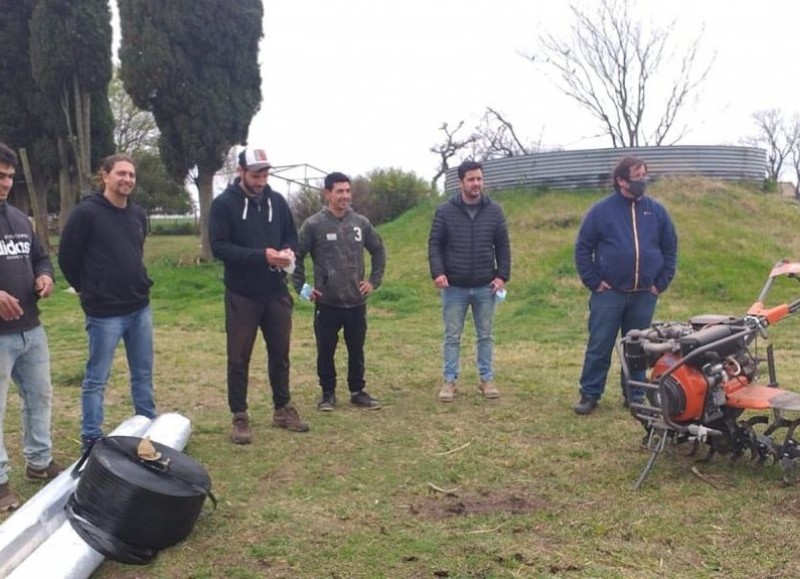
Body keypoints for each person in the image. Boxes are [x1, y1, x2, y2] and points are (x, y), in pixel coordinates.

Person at [58, 153, 157, 452]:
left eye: (131, 175)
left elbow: (134, 252)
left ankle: (148, 427)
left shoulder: (138, 214)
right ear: (105, 176)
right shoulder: (86, 213)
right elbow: (67, 258)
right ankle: (90, 437)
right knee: (96, 379)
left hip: (139, 307)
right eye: (121, 174)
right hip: (104, 313)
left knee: (143, 373)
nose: (127, 179)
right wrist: (88, 290)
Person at [209, 147, 309, 443]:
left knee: (281, 354)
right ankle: (239, 416)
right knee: (239, 357)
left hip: (276, 291)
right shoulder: (223, 205)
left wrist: (288, 250)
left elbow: (291, 235)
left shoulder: (277, 202)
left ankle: (282, 408)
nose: (261, 180)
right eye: (255, 175)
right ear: (240, 172)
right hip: (242, 294)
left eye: (265, 174)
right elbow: (219, 247)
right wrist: (260, 256)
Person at [573, 156, 678, 415]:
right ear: (621, 180)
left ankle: (635, 394)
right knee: (600, 344)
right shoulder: (601, 211)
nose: (643, 180)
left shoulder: (656, 211)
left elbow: (670, 247)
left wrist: (660, 283)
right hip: (609, 295)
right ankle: (590, 394)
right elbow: (583, 248)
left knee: (638, 350)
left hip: (644, 294)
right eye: (637, 175)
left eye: (645, 174)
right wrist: (594, 281)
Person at [0, 143, 62, 511]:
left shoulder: (21, 219)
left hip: (30, 328)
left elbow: (41, 257)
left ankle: (39, 462)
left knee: (39, 397)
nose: (5, 182)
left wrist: (44, 276)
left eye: (8, 176)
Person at [292, 172, 386, 412]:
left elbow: (378, 251)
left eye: (348, 191)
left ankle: (357, 391)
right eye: (339, 191)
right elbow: (295, 256)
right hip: (327, 303)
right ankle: (328, 394)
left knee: (356, 348)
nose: (345, 196)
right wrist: (302, 288)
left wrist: (373, 282)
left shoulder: (361, 223)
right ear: (327, 194)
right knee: (326, 349)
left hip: (355, 301)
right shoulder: (313, 225)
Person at [427, 160, 511, 402]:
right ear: (460, 182)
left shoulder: (494, 211)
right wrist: (438, 272)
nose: (476, 184)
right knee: (452, 336)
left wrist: (502, 276)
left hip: (486, 286)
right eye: (471, 179)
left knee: (486, 335)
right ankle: (450, 381)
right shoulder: (445, 211)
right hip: (454, 286)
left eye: (479, 179)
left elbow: (503, 246)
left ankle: (486, 379)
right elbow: (435, 244)